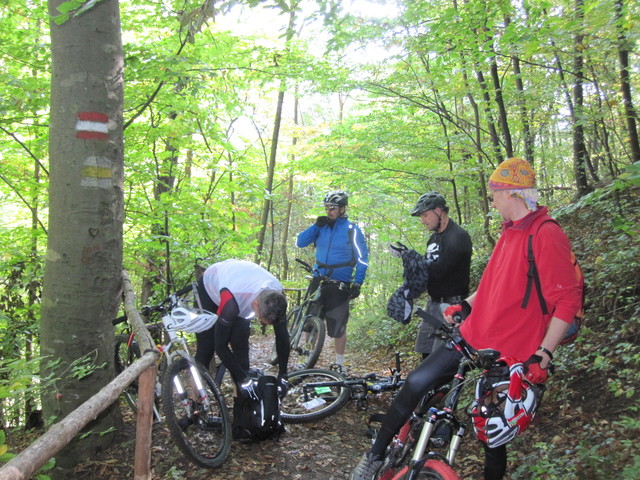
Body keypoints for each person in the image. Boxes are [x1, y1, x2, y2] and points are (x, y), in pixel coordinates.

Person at [350, 157, 583, 480]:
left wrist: (544, 353)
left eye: (494, 194)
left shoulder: (546, 233)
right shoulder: (509, 231)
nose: (492, 202)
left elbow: (568, 299)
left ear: (512, 193)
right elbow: (492, 284)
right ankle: (374, 456)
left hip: (512, 351)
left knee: (493, 432)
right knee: (416, 382)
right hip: (473, 334)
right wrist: (466, 306)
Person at [390, 192, 472, 358]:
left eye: (425, 215)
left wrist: (412, 257)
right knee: (426, 353)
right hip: (433, 304)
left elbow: (441, 270)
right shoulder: (433, 239)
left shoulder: (458, 237)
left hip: (452, 305)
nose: (423, 220)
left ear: (438, 210)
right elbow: (427, 273)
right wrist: (408, 290)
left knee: (443, 359)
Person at [295, 190, 369, 369]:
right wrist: (315, 225)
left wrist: (358, 282)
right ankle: (306, 360)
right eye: (327, 208)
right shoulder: (321, 227)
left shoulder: (352, 230)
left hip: (339, 282)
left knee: (338, 327)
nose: (329, 211)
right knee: (310, 322)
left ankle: (339, 364)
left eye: (333, 208)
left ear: (342, 208)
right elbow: (300, 242)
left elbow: (362, 259)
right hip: (318, 279)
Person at [194, 259, 290, 396]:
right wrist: (242, 378)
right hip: (208, 290)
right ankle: (196, 398)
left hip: (242, 288)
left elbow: (282, 336)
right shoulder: (232, 302)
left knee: (240, 348)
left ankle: (241, 401)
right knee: (206, 347)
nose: (262, 323)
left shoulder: (277, 298)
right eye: (261, 319)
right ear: (256, 305)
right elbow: (220, 346)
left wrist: (283, 374)